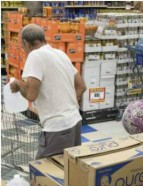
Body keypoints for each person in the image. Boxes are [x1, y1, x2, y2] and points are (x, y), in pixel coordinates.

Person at [9, 24, 86, 159]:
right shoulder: (60, 54)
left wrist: (17, 84)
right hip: (75, 122)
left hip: (57, 128)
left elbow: (31, 95)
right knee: (69, 170)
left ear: (26, 43)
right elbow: (81, 86)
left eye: (22, 46)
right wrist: (69, 104)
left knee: (43, 174)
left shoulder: (35, 55)